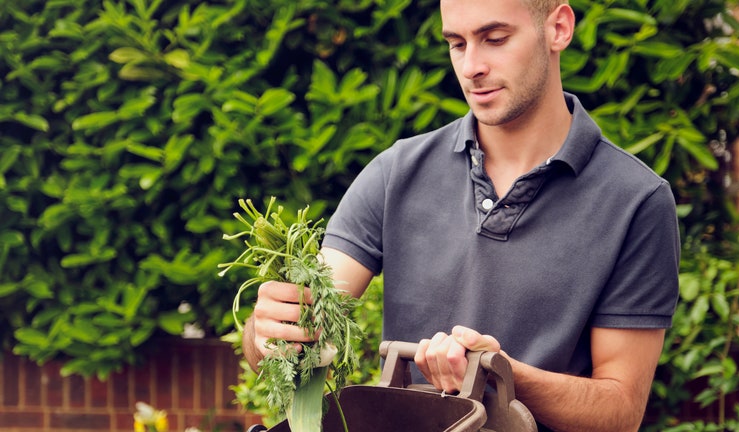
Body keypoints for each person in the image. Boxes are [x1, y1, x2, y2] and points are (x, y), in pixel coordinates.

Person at [242, 0, 680, 430]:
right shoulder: (397, 172)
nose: (471, 66)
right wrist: (269, 332)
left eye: (494, 38)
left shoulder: (636, 200)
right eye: (457, 43)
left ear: (558, 28)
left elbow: (620, 410)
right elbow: (305, 323)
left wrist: (502, 374)